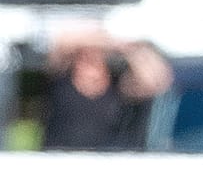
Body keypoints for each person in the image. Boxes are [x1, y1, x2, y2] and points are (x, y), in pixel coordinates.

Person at [38, 28, 173, 150]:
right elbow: (59, 41)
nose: (89, 59)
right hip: (60, 160)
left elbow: (158, 81)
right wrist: (107, 40)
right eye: (84, 54)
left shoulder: (119, 87)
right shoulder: (61, 80)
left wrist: (128, 48)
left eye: (95, 55)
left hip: (108, 161)